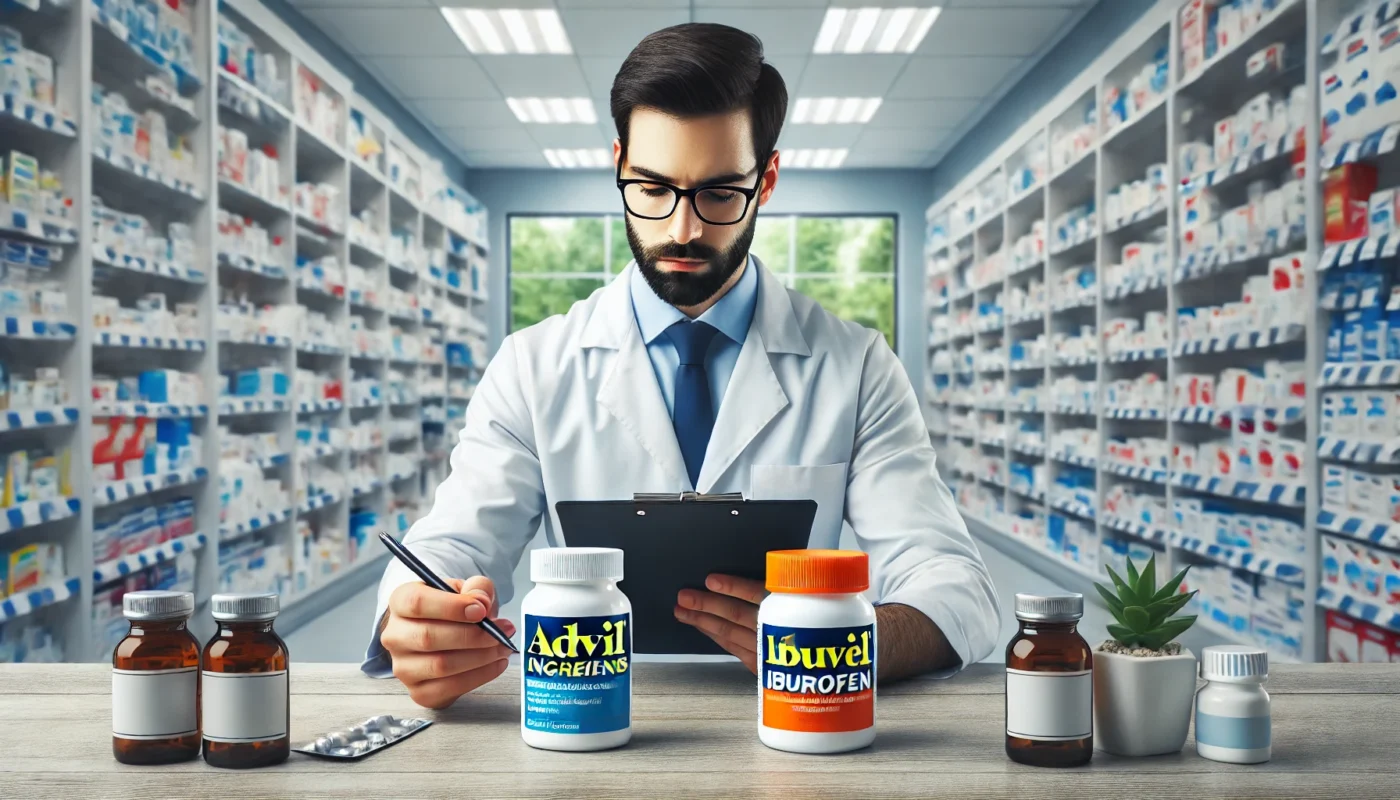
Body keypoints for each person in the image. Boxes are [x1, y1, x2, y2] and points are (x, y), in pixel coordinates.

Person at [362, 22, 1000, 709]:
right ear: (618, 166)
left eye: (720, 193)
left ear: (767, 180)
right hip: (590, 712)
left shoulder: (858, 366)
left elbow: (952, 580)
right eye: (653, 188)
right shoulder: (533, 366)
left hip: (799, 715)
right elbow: (455, 543)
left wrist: (845, 645)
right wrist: (418, 612)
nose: (682, 229)